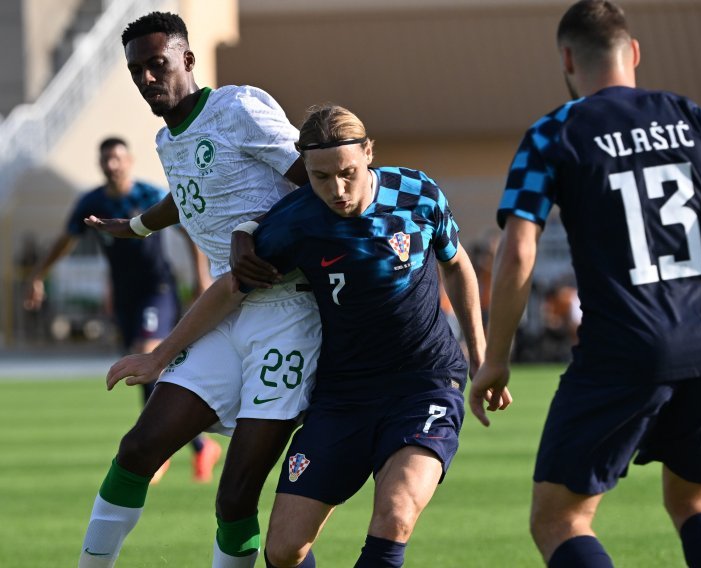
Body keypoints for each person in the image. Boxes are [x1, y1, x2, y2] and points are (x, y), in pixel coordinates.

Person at [106, 104, 511, 568]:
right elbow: (230, 291)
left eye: (348, 173)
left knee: (395, 514)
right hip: (342, 397)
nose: (337, 190)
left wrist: (480, 357)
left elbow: (457, 266)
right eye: (320, 177)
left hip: (423, 385)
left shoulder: (417, 192)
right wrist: (158, 358)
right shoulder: (297, 219)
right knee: (283, 551)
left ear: (369, 153)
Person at [469, 1, 701, 566]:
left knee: (559, 518)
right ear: (635, 53)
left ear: (568, 58)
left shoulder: (555, 132)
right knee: (699, 503)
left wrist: (494, 358)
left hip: (621, 347)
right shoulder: (699, 118)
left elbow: (520, 250)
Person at [77, 12, 320, 568]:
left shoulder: (238, 107)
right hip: (223, 314)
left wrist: (255, 231)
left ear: (187, 59)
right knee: (138, 449)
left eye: (156, 65)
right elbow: (187, 195)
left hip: (288, 317)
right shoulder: (167, 138)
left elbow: (320, 179)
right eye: (136, 71)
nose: (146, 80)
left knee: (235, 496)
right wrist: (135, 226)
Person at [23, 137, 218, 484]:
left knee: (147, 356)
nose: (112, 165)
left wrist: (201, 276)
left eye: (117, 158)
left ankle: (155, 447)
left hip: (157, 290)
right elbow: (65, 241)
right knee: (143, 371)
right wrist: (38, 276)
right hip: (126, 298)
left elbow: (187, 230)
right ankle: (200, 446)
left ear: (129, 161)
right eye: (105, 160)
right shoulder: (92, 201)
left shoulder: (147, 195)